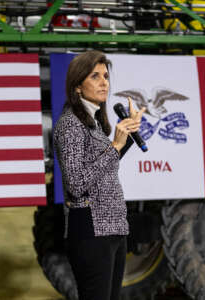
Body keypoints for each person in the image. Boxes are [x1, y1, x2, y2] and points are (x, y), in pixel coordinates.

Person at [53, 50, 145, 300]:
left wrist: (125, 139)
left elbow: (103, 169)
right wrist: (114, 145)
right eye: (95, 76)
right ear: (78, 86)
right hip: (90, 227)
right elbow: (76, 182)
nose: (104, 82)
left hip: (113, 227)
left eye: (105, 75)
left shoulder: (92, 123)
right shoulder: (70, 124)